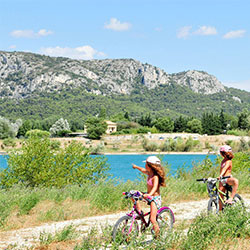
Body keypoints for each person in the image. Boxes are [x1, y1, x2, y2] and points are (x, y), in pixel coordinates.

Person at [132, 156, 166, 237]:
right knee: (133, 194)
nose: (145, 166)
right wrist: (136, 167)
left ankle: (158, 238)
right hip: (148, 195)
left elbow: (154, 188)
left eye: (146, 164)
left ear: (150, 166)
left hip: (154, 198)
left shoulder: (155, 177)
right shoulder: (149, 173)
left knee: (152, 219)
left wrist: (149, 194)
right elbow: (143, 170)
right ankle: (140, 211)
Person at [218, 145, 239, 210]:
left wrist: (220, 175)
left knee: (235, 181)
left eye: (222, 152)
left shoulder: (229, 161)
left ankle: (231, 198)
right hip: (222, 179)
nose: (221, 154)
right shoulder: (223, 161)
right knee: (220, 196)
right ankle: (220, 212)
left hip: (227, 178)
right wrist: (220, 176)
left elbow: (225, 168)